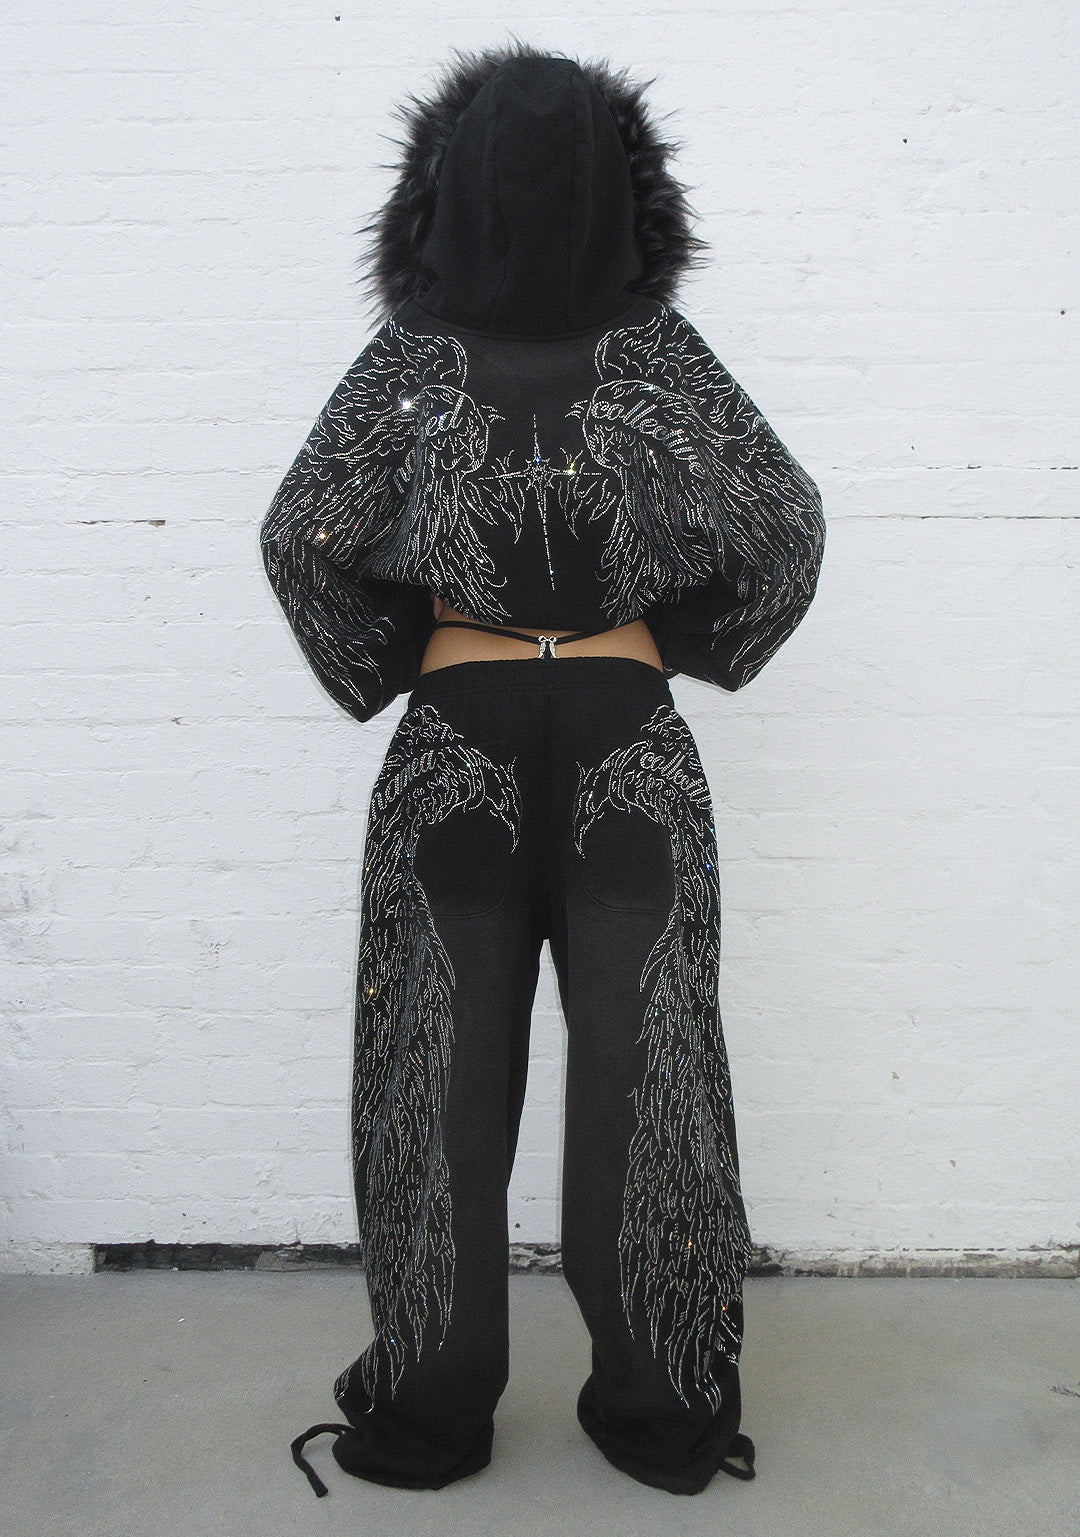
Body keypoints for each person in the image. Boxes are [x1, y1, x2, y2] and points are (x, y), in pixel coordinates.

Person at [261, 40, 825, 1499]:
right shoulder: (663, 358)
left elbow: (300, 535)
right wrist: (676, 639)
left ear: (439, 191)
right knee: (653, 1075)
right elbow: (787, 525)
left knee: (432, 1077)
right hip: (629, 736)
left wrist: (402, 653)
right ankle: (663, 1413)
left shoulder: (410, 363)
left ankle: (429, 1416)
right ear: (627, 197)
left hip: (461, 736)